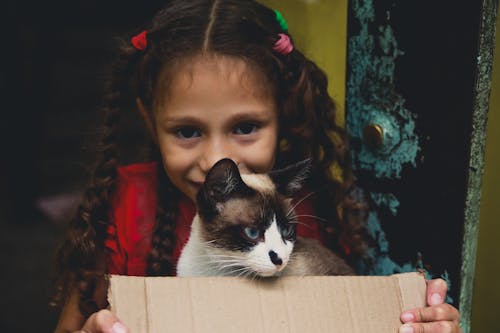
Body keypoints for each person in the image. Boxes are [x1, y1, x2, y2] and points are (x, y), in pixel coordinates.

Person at [52, 1, 461, 332]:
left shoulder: (299, 212)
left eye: (245, 127)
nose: (215, 159)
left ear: (282, 117)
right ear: (149, 121)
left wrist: (411, 320)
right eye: (187, 131)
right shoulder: (121, 205)